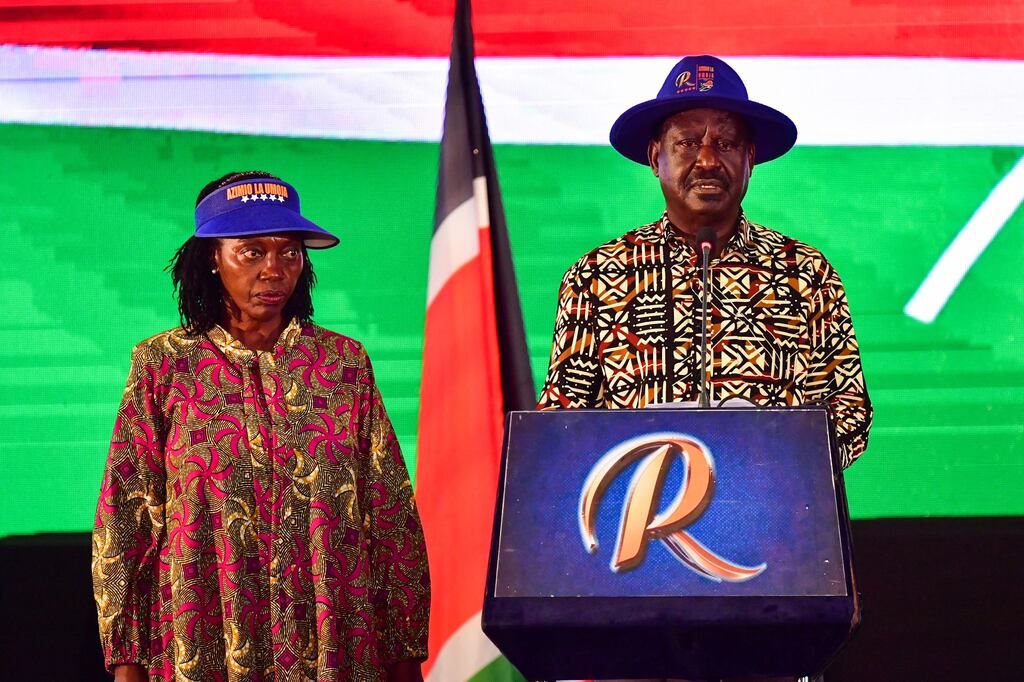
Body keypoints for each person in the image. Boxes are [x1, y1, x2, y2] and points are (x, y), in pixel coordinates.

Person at [91, 171, 429, 682]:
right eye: (252, 251)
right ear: (211, 256)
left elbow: (389, 518)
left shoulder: (343, 364)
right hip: (201, 645)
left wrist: (405, 657)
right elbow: (124, 521)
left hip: (335, 650)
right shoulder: (162, 366)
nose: (274, 270)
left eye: (289, 252)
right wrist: (125, 664)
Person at [537, 55, 871, 470]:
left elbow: (850, 411)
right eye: (688, 143)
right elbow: (561, 420)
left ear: (750, 158)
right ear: (655, 155)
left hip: (775, 520)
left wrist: (780, 460)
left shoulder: (805, 272)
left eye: (726, 144)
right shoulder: (597, 275)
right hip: (637, 520)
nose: (708, 160)